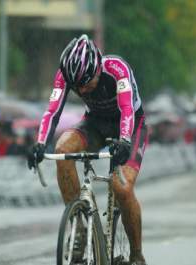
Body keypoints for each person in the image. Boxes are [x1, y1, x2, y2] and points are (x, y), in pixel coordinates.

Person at [27, 34, 148, 265]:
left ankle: (136, 254)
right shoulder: (66, 75)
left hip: (131, 127)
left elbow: (126, 109)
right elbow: (52, 111)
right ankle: (80, 229)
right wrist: (40, 143)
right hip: (95, 123)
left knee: (121, 188)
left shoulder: (117, 69)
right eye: (77, 86)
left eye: (86, 82)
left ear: (97, 69)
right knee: (63, 148)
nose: (82, 90)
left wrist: (124, 140)